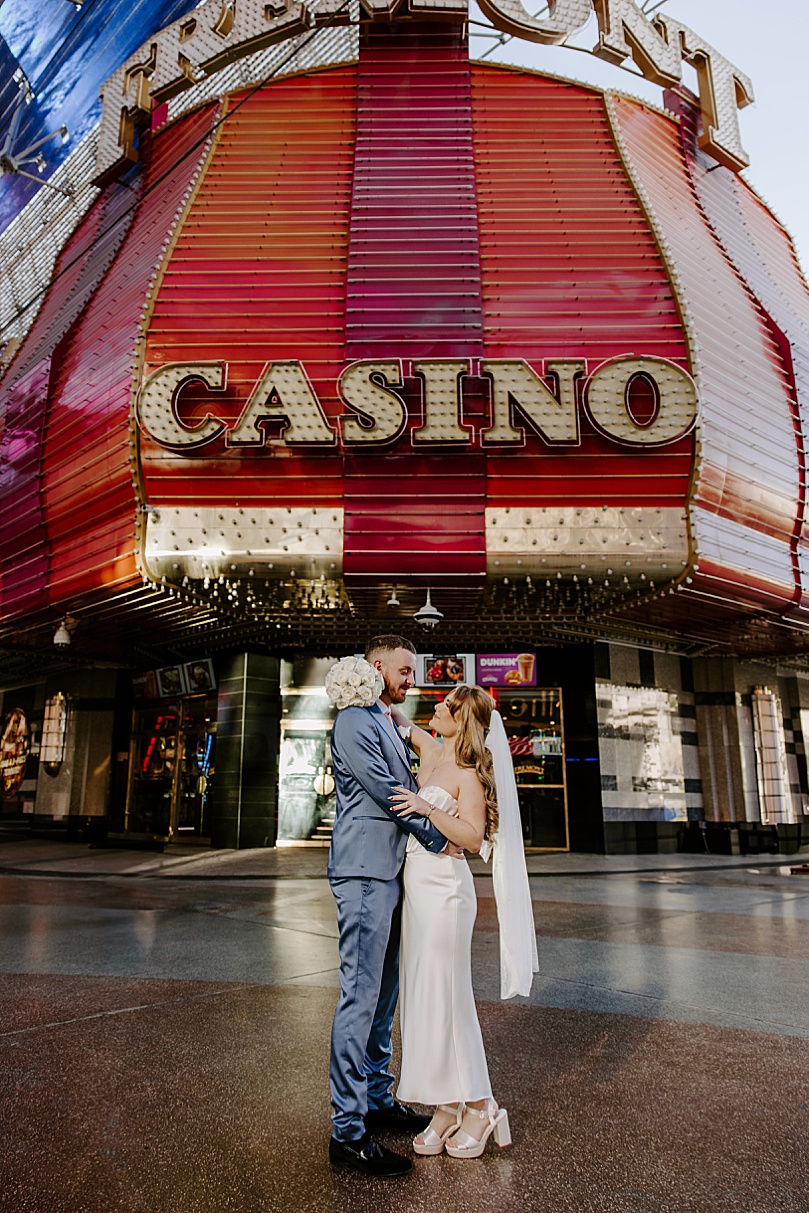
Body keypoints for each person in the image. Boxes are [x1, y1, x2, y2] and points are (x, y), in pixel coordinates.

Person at [389, 683, 538, 1159]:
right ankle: (445, 1104)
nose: (434, 706)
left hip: (446, 894)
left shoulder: (469, 772)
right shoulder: (432, 749)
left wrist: (427, 808)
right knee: (423, 997)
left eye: (445, 705)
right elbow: (398, 722)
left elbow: (473, 838)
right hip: (417, 892)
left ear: (461, 719)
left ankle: (481, 1103)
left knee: (448, 1000)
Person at [327, 634, 454, 1178]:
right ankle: (348, 1131)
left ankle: (377, 1096)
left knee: (384, 993)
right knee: (360, 993)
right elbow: (389, 792)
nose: (412, 681)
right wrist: (440, 836)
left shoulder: (385, 720)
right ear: (377, 667)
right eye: (404, 671)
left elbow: (410, 778)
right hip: (362, 872)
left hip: (389, 871)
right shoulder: (355, 721)